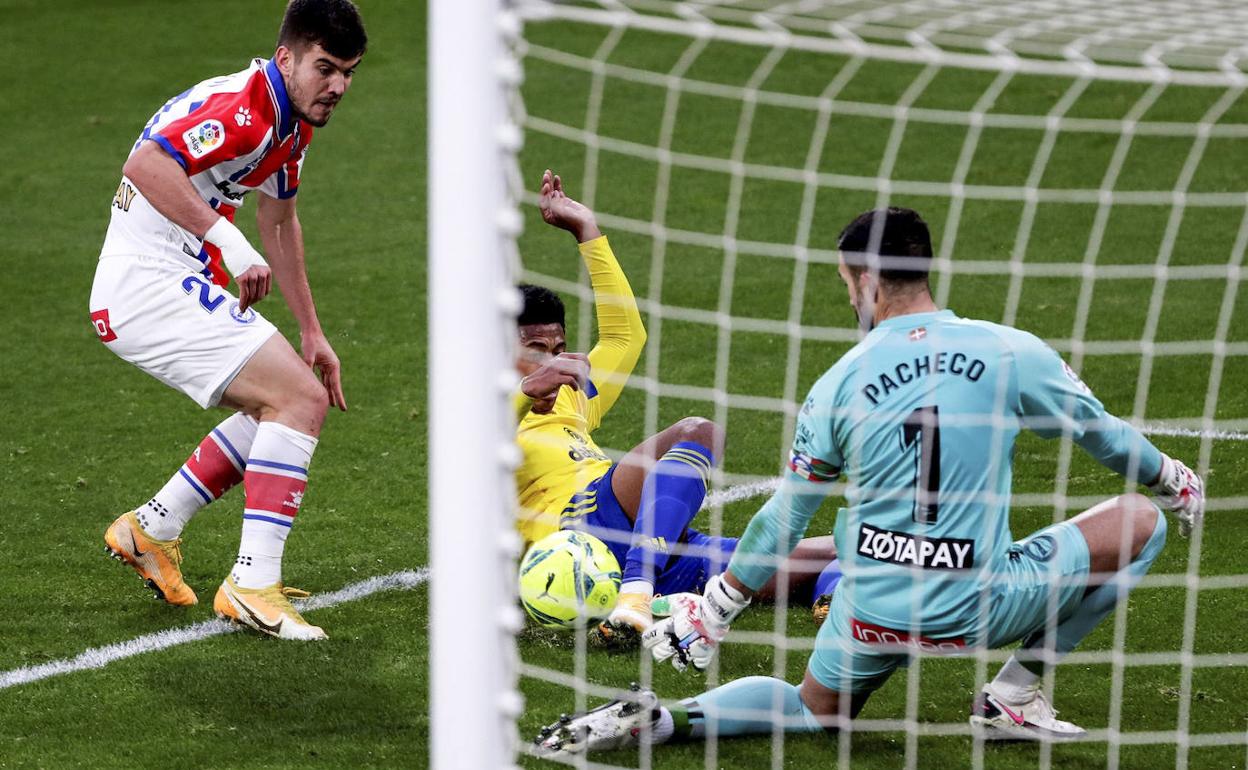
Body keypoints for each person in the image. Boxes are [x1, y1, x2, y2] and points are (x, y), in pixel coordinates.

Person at [534, 206, 1205, 755]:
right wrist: (1171, 478)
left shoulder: (839, 384)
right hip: (983, 605)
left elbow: (782, 518)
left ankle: (669, 720)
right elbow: (1103, 434)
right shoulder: (1010, 351)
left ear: (869, 283)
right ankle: (1014, 696)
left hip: (875, 612)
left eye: (846, 284)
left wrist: (715, 610)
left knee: (813, 710)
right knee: (1138, 520)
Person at [93, 0, 367, 641]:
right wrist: (231, 245)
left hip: (167, 277)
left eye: (348, 72)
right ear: (286, 58)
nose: (338, 87)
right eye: (325, 68)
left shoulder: (291, 123)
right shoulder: (243, 109)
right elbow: (145, 166)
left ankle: (149, 529)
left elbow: (280, 219)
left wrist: (312, 331)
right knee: (297, 399)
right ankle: (251, 585)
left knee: (283, 400)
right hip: (145, 285)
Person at [516, 170, 838, 647]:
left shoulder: (568, 396)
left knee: (832, 551)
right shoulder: (475, 410)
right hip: (578, 537)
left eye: (558, 346)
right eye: (536, 348)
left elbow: (627, 336)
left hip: (646, 542)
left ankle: (831, 594)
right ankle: (639, 595)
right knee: (698, 431)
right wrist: (524, 389)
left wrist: (588, 230)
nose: (554, 358)